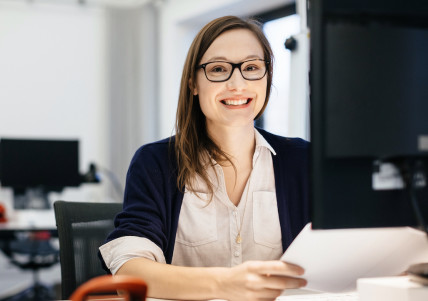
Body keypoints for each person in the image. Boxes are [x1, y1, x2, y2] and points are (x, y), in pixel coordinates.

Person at [99, 15, 310, 301]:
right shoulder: (156, 163)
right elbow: (129, 274)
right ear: (193, 84)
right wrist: (225, 284)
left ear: (267, 77)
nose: (238, 83)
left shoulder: (303, 161)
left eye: (251, 67)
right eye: (219, 69)